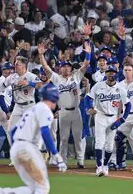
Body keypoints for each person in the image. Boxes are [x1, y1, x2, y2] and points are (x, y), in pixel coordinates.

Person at [0, 83, 67, 194]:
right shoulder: (45, 110)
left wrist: (17, 147)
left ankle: (3, 192)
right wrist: (55, 154)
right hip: (28, 149)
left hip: (17, 149)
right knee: (42, 187)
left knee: (34, 187)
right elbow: (45, 132)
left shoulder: (33, 109)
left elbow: (13, 131)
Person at [38, 39, 92, 168]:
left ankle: (80, 161)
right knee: (63, 138)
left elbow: (85, 65)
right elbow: (46, 68)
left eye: (68, 66)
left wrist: (88, 53)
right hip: (63, 111)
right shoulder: (56, 78)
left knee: (78, 137)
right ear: (60, 68)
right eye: (64, 66)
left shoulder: (76, 76)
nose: (66, 68)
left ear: (71, 68)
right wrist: (41, 55)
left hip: (76, 111)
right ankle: (63, 161)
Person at [85, 65, 131, 177]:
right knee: (99, 142)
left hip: (113, 117)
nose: (111, 74)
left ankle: (105, 166)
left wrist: (123, 118)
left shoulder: (121, 88)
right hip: (100, 115)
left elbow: (128, 105)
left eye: (113, 72)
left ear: (116, 73)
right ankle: (99, 166)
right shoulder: (98, 85)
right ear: (105, 73)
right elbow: (88, 98)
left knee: (110, 146)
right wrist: (89, 108)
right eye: (109, 72)